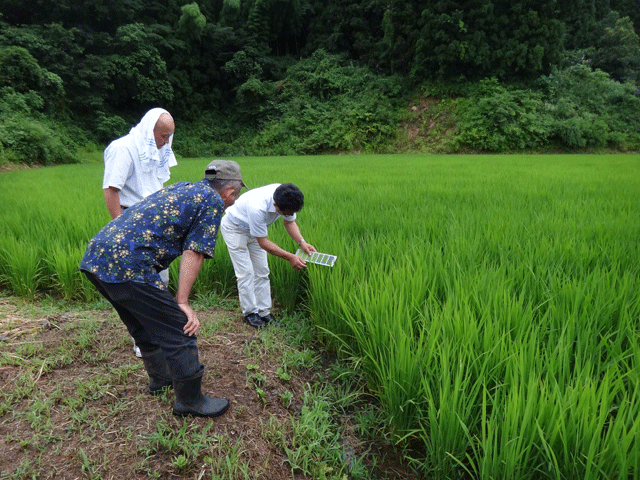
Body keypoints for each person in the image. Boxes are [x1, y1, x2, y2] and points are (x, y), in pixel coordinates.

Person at [80, 160, 246, 418]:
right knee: (180, 330)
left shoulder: (184, 187)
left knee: (142, 324)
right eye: (235, 196)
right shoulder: (212, 203)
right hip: (128, 266)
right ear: (229, 192)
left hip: (96, 258)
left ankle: (160, 380)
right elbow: (195, 251)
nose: (233, 201)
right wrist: (183, 302)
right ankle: (189, 402)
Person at [102, 108, 177, 357]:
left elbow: (157, 185)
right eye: (163, 136)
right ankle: (143, 340)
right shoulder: (123, 148)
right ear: (149, 132)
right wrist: (120, 228)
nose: (166, 142)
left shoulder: (156, 151)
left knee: (160, 279)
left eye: (169, 137)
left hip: (154, 223)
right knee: (138, 283)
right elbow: (111, 189)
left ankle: (159, 332)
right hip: (132, 222)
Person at [220, 183, 316, 328]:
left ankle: (264, 312)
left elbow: (289, 222)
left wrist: (302, 242)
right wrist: (290, 257)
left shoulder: (287, 196)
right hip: (235, 229)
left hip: (256, 230)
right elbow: (263, 243)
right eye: (286, 212)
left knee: (262, 271)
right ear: (275, 205)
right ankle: (250, 313)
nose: (290, 215)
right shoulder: (257, 207)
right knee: (246, 273)